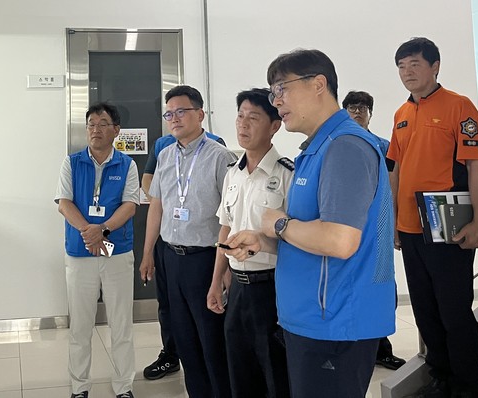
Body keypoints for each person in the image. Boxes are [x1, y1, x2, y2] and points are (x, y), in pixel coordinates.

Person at [229, 49, 395, 398]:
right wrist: (265, 241)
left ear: (319, 84)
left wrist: (279, 225)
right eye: (273, 92)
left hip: (335, 322)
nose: (276, 101)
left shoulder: (345, 147)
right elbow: (314, 237)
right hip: (313, 317)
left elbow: (339, 241)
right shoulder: (317, 149)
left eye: (282, 89)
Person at [388, 38, 478, 398]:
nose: (407, 72)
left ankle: (468, 388)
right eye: (401, 66)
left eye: (415, 64)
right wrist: (394, 220)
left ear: (435, 67)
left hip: (448, 227)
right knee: (425, 312)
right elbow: (396, 170)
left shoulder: (459, 106)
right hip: (411, 229)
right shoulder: (401, 114)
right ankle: (441, 379)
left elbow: (476, 168)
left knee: (454, 312)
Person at [139, 85, 235, 398]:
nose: (175, 119)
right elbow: (157, 206)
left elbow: (231, 217)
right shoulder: (165, 155)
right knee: (184, 338)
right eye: (169, 114)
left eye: (181, 111)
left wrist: (225, 268)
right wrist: (148, 253)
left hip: (205, 260)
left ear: (200, 114)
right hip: (170, 258)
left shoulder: (221, 157)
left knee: (212, 340)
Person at [210, 88, 292, 398]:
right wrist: (216, 281)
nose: (243, 124)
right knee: (240, 374)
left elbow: (295, 235)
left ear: (274, 126)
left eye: (253, 118)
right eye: (240, 116)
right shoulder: (233, 174)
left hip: (272, 288)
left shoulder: (287, 174)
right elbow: (225, 228)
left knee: (276, 374)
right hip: (238, 289)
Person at [55, 102, 139, 398]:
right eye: (91, 124)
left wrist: (101, 230)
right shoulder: (72, 162)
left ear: (116, 130)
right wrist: (89, 233)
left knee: (121, 324)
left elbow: (130, 205)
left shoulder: (127, 164)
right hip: (80, 253)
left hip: (117, 252)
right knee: (80, 326)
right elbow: (64, 203)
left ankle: (124, 387)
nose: (95, 129)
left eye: (103, 124)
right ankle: (79, 387)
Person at [341, 90, 407, 371]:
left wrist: (396, 225)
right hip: (345, 230)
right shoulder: (337, 145)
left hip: (377, 229)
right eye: (352, 107)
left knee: (382, 288)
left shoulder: (384, 147)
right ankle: (351, 346)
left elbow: (395, 187)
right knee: (348, 288)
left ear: (370, 113)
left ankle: (381, 348)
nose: (358, 111)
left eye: (363, 107)